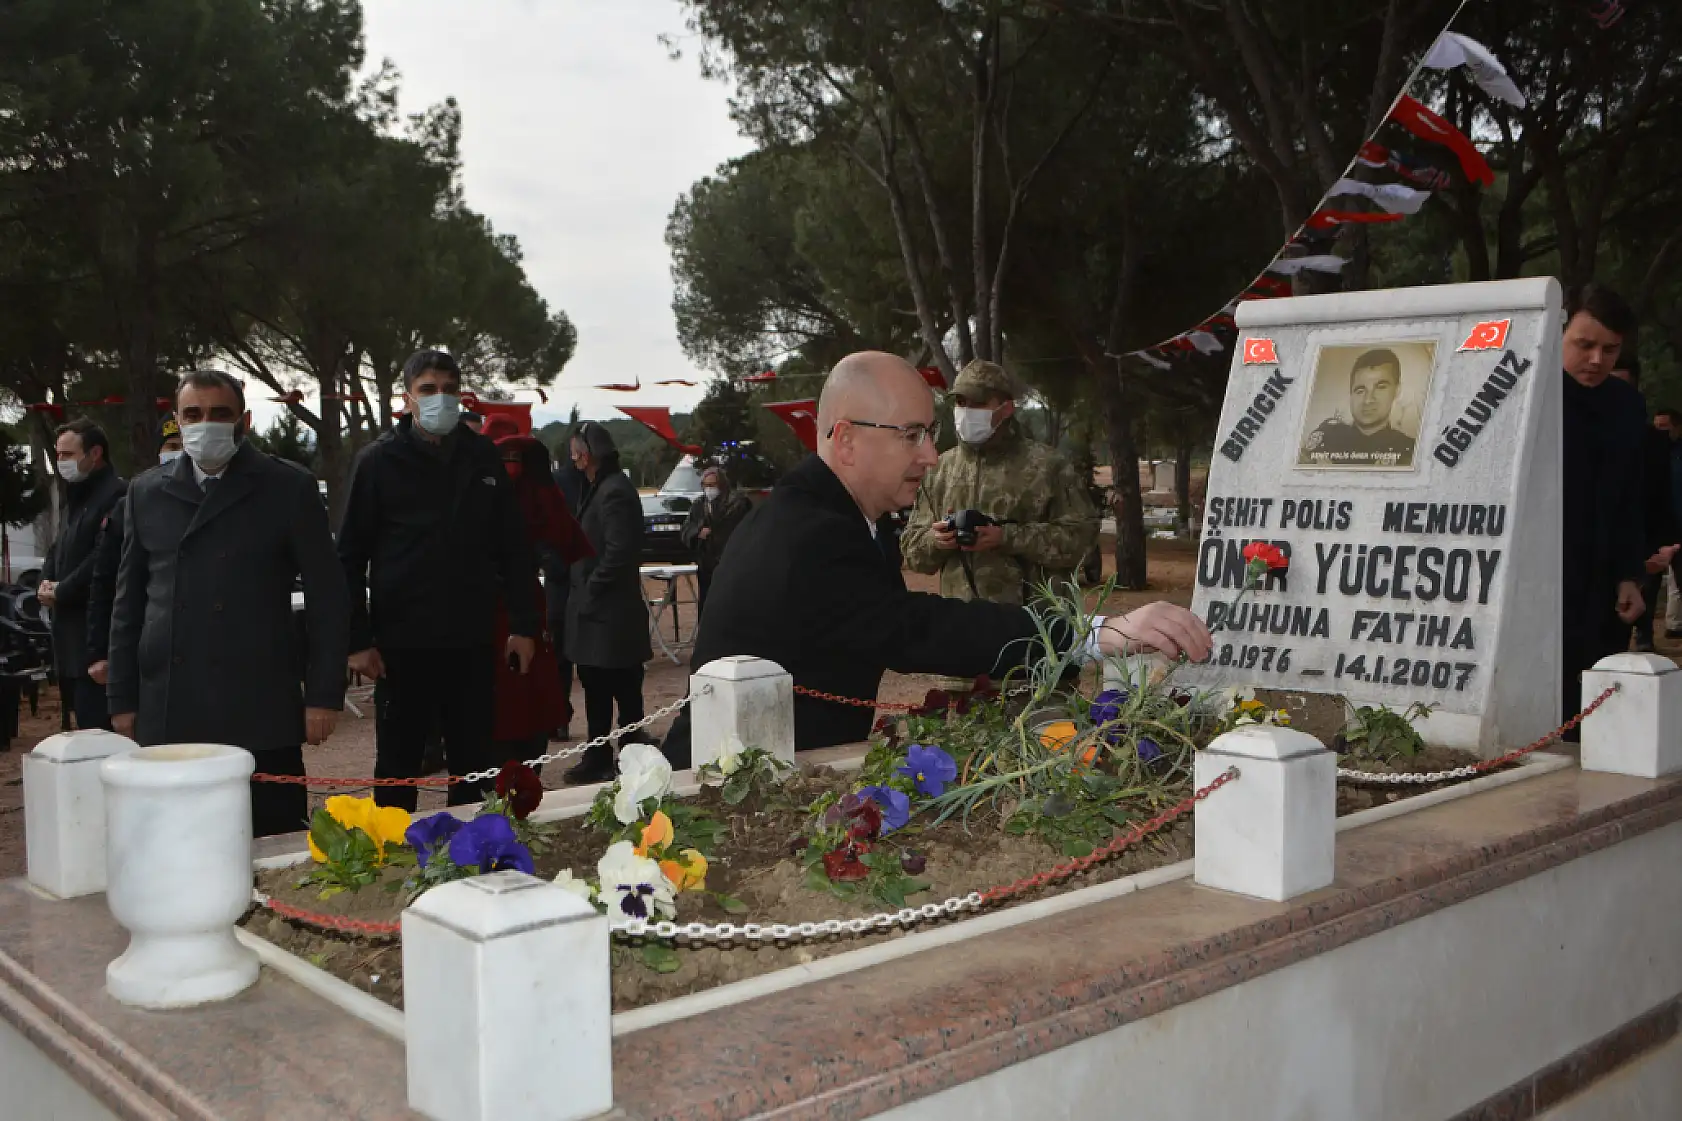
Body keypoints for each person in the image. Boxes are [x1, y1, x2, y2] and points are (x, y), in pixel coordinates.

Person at [660, 351, 1211, 765]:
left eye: (931, 434)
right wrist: (1094, 635)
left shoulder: (814, 513)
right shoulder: (813, 533)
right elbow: (917, 629)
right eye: (912, 436)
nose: (929, 455)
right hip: (718, 793)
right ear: (846, 440)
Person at [107, 371, 349, 837]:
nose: (206, 424)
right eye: (193, 414)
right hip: (170, 705)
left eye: (220, 414)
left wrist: (323, 694)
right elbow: (127, 604)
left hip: (260, 705)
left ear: (245, 420)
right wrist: (121, 696)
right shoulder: (145, 491)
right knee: (174, 843)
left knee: (273, 843)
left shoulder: (288, 487)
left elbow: (328, 597)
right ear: (176, 421)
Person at [337, 349, 540, 812]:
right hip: (399, 647)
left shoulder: (483, 459)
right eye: (428, 389)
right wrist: (357, 638)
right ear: (407, 398)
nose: (440, 399)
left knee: (474, 760)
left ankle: (471, 855)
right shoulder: (377, 463)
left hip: (470, 640)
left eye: (449, 390)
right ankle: (395, 861)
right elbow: (347, 557)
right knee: (397, 763)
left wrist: (524, 627)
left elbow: (514, 550)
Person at [901, 359, 1098, 609]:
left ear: (1006, 409)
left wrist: (1007, 537)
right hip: (963, 629)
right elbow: (913, 555)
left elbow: (1082, 542)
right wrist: (937, 540)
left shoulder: (1049, 467)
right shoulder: (939, 470)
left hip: (1034, 629)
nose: (966, 412)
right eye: (961, 403)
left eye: (979, 404)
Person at [1559, 285, 1668, 727]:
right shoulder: (1527, 394)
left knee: (1592, 697)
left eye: (1611, 349)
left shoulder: (1627, 406)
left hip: (1603, 579)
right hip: (1541, 578)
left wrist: (1630, 576)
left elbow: (1630, 496)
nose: (1597, 360)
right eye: (1584, 345)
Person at [491, 434, 592, 764]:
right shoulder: (540, 491)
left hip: (514, 610)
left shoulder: (535, 491)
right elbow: (567, 540)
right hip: (507, 609)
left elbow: (564, 542)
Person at [562, 422, 651, 784]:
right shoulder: (601, 488)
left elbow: (619, 552)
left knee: (617, 690)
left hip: (610, 615)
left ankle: (623, 756)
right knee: (601, 689)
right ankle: (603, 754)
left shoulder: (614, 491)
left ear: (587, 452)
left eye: (574, 451)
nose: (572, 458)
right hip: (604, 615)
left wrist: (591, 589)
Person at [39, 418, 126, 730]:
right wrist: (46, 582)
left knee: (100, 733)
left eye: (68, 455)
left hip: (94, 642)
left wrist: (62, 590)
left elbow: (102, 560)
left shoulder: (116, 495)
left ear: (95, 454)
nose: (61, 462)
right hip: (68, 643)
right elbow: (58, 548)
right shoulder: (74, 497)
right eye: (58, 456)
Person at [86, 417, 182, 695]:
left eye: (185, 444)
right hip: (142, 648)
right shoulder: (131, 505)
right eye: (173, 445)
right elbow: (105, 583)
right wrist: (98, 651)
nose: (180, 451)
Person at [1608, 356, 1681, 652]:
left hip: (1644, 537)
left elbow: (1663, 495)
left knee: (1644, 595)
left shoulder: (1654, 443)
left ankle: (1645, 637)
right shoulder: (1577, 435)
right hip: (1594, 546)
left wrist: (1666, 543)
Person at [1301, 349, 1417, 467]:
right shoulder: (1327, 437)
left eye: (1380, 387)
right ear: (1351, 394)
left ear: (1397, 391)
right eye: (1360, 390)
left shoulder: (1411, 451)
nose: (1368, 400)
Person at [680, 465, 752, 610]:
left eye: (712, 485)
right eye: (706, 485)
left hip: (730, 565)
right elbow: (686, 529)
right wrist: (698, 532)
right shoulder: (699, 505)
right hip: (706, 567)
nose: (709, 489)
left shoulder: (737, 504)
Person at [1656, 407, 1682, 639]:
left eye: (1665, 427)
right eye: (1657, 427)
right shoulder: (1647, 454)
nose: (1660, 432)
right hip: (1659, 530)